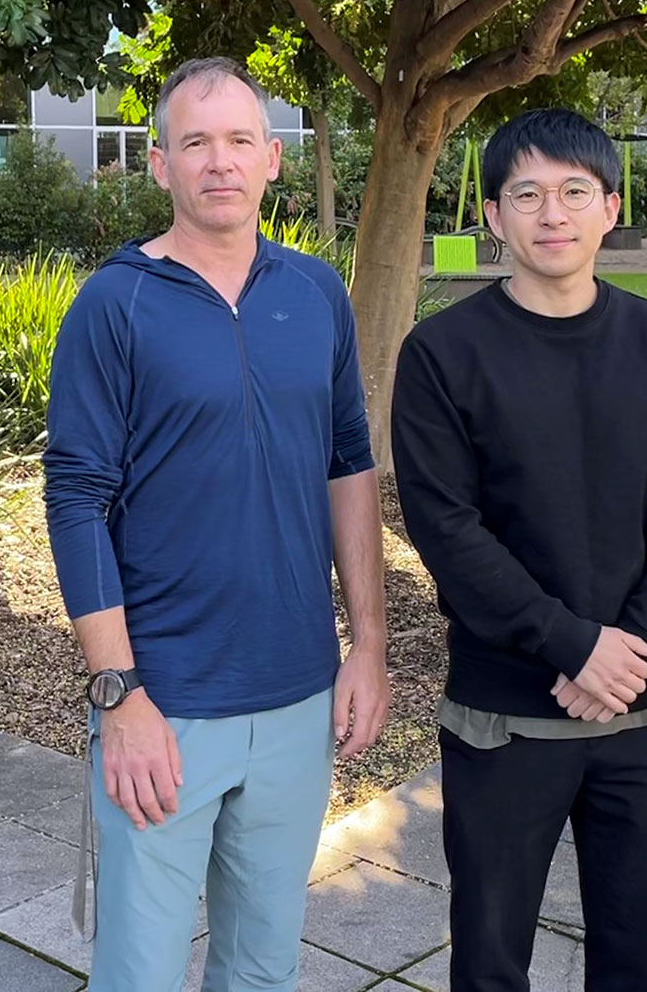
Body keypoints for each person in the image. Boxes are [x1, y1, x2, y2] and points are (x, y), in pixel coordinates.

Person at [43, 56, 388, 992]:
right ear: (161, 164)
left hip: (297, 696)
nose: (220, 161)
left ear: (273, 158)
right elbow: (74, 499)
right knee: (140, 974)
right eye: (195, 143)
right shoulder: (115, 304)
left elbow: (349, 465)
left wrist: (367, 647)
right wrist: (119, 694)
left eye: (240, 140)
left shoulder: (315, 293)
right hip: (166, 703)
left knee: (264, 967)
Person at [392, 109, 647, 992]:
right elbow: (447, 529)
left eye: (575, 192)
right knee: (491, 959)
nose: (553, 214)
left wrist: (635, 643)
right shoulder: (443, 354)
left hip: (642, 709)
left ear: (610, 208)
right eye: (527, 194)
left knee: (640, 957)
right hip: (505, 716)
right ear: (493, 216)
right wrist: (573, 645)